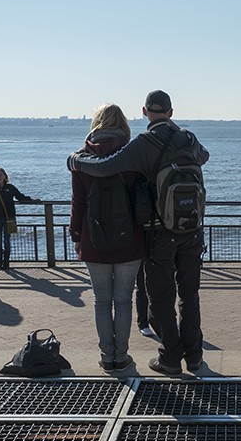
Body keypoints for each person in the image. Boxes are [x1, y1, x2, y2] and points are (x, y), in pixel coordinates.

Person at [67, 90, 209, 376]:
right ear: (171, 110)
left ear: (145, 111)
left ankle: (170, 358)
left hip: (159, 233)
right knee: (190, 295)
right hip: (192, 230)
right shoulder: (190, 139)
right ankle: (194, 357)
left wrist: (75, 161)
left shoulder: (146, 142)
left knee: (160, 298)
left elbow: (107, 167)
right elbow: (204, 157)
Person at [69, 104, 146, 373]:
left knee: (102, 300)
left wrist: (76, 235)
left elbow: (78, 202)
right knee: (124, 299)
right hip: (130, 239)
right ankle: (122, 356)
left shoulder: (81, 157)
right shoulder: (133, 154)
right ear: (123, 124)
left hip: (93, 238)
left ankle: (106, 356)